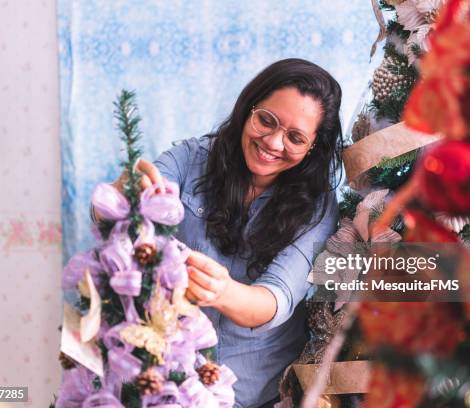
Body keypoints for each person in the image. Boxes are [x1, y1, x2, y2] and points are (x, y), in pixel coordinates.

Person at [102, 58, 343, 407]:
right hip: (161, 380)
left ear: (313, 146)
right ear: (249, 108)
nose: (274, 143)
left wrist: (222, 291)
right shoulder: (191, 158)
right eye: (267, 120)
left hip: (252, 394)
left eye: (295, 137)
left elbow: (275, 301)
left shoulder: (318, 208)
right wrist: (124, 190)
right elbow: (115, 213)